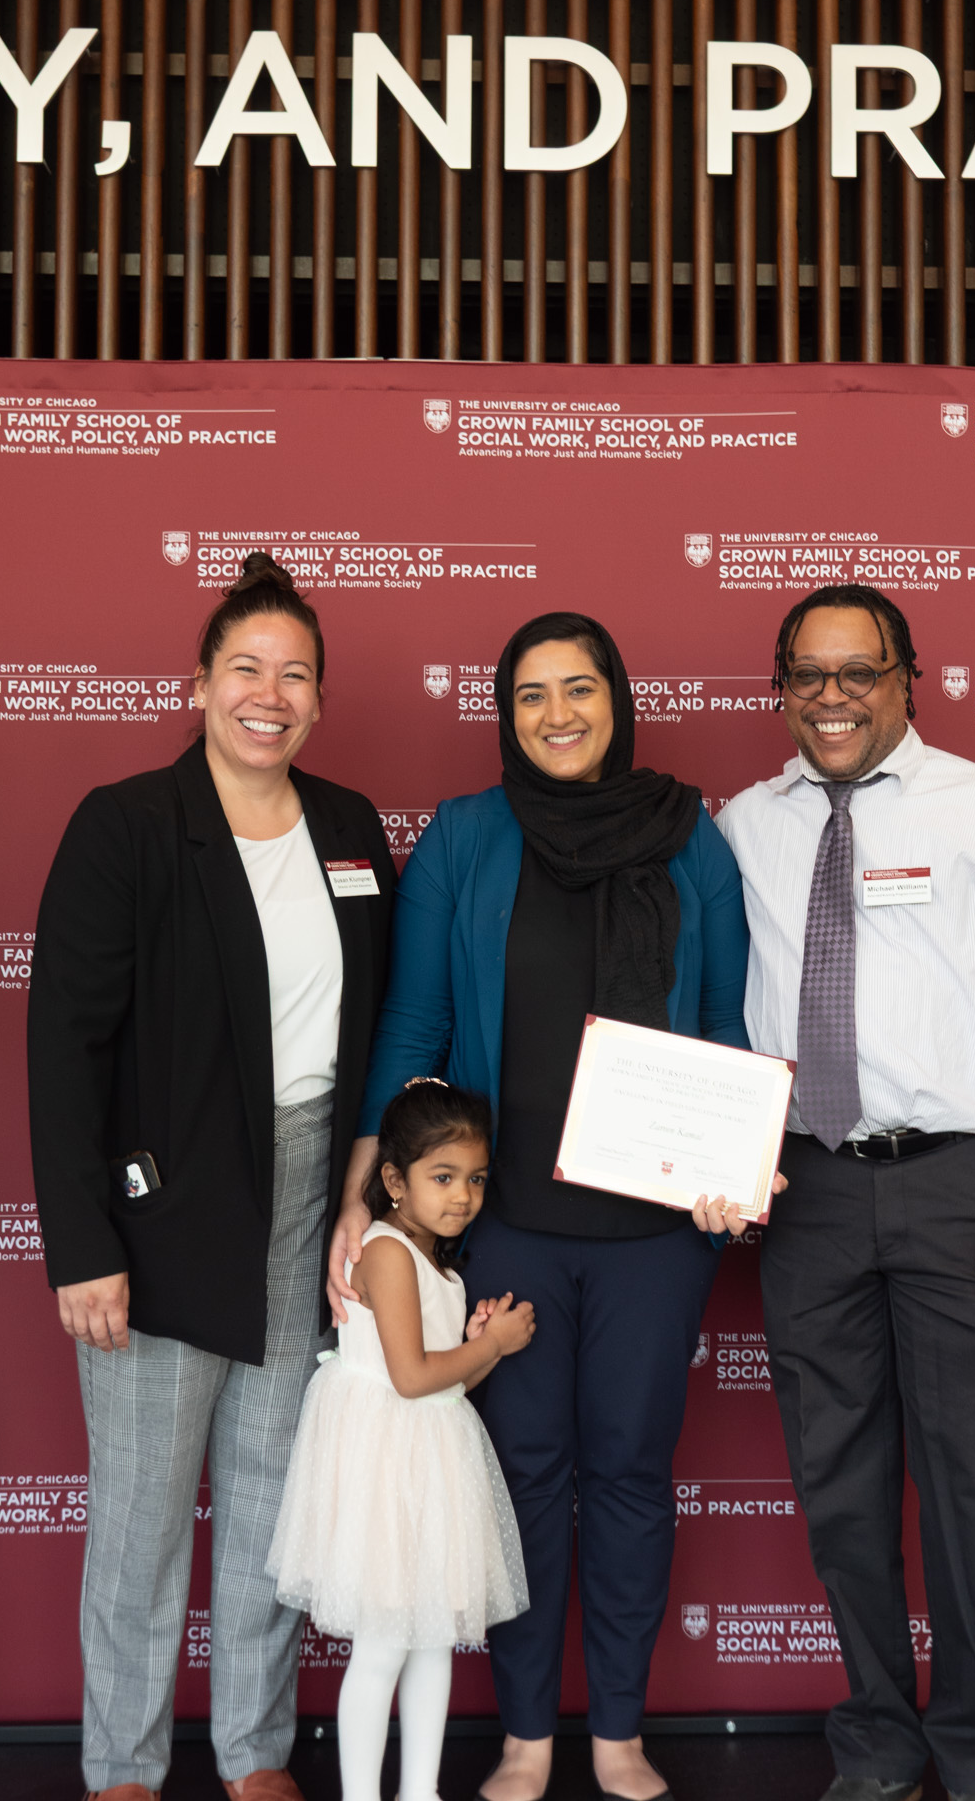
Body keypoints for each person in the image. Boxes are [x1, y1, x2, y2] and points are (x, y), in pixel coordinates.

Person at [327, 610, 752, 1801]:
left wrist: (729, 1159)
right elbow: (414, 1023)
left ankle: (615, 1729)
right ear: (504, 713)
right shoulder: (466, 836)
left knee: (627, 1470)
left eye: (579, 688)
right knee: (518, 1472)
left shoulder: (691, 837)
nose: (557, 713)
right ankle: (525, 1735)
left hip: (656, 1238)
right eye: (530, 695)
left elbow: (722, 1028)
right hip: (499, 1223)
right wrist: (367, 1194)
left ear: (618, 698)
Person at [714, 584, 975, 1801]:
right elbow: (714, 1004)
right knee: (838, 1484)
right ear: (781, 686)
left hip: (961, 1191)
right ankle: (878, 1741)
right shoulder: (742, 823)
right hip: (811, 1191)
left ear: (905, 680)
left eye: (858, 672)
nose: (831, 697)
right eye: (807, 674)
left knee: (973, 1480)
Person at [28, 554, 396, 1801]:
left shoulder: (349, 828)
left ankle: (254, 1753)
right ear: (198, 683)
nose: (269, 692)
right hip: (162, 1205)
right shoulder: (127, 823)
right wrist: (83, 1242)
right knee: (140, 1512)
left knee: (265, 1491)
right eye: (246, 666)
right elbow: (65, 1046)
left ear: (320, 701)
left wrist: (355, 1189)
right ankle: (122, 1766)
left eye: (296, 673)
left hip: (306, 1192)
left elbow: (373, 1024)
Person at [269, 1078, 534, 1801]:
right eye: (442, 1177)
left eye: (476, 1179)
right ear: (393, 1179)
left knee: (431, 1643)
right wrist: (496, 1346)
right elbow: (413, 1379)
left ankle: (420, 1793)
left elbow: (442, 1380)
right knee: (385, 1645)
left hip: (431, 1464)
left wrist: (474, 1341)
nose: (463, 1197)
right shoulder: (386, 1251)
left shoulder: (437, 1261)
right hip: (386, 1469)